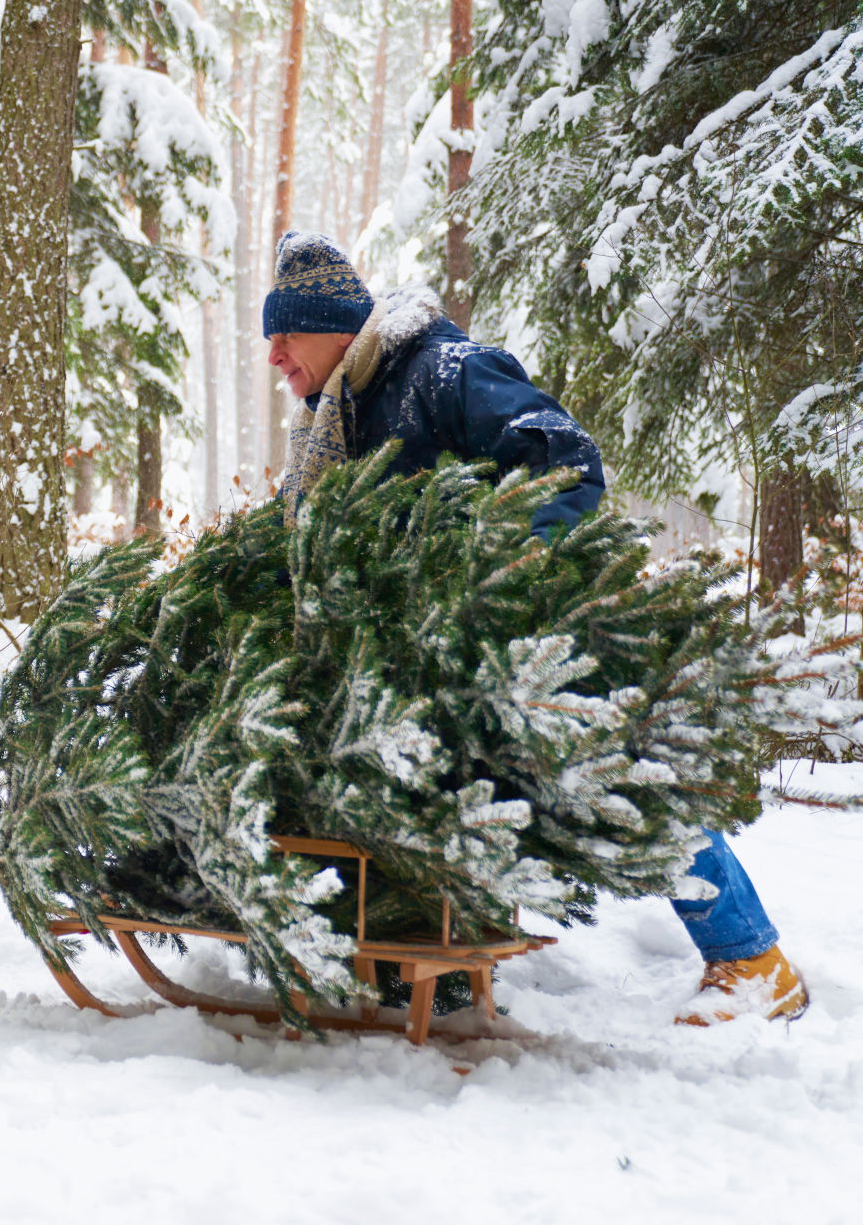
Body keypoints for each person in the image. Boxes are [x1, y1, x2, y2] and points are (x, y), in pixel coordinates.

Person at [262, 231, 809, 1025]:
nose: (275, 353)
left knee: (621, 773)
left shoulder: (441, 371)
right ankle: (428, 968)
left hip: (531, 633)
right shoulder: (335, 422)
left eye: (287, 333)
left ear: (336, 325)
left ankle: (756, 965)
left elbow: (565, 459)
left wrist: (506, 571)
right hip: (432, 654)